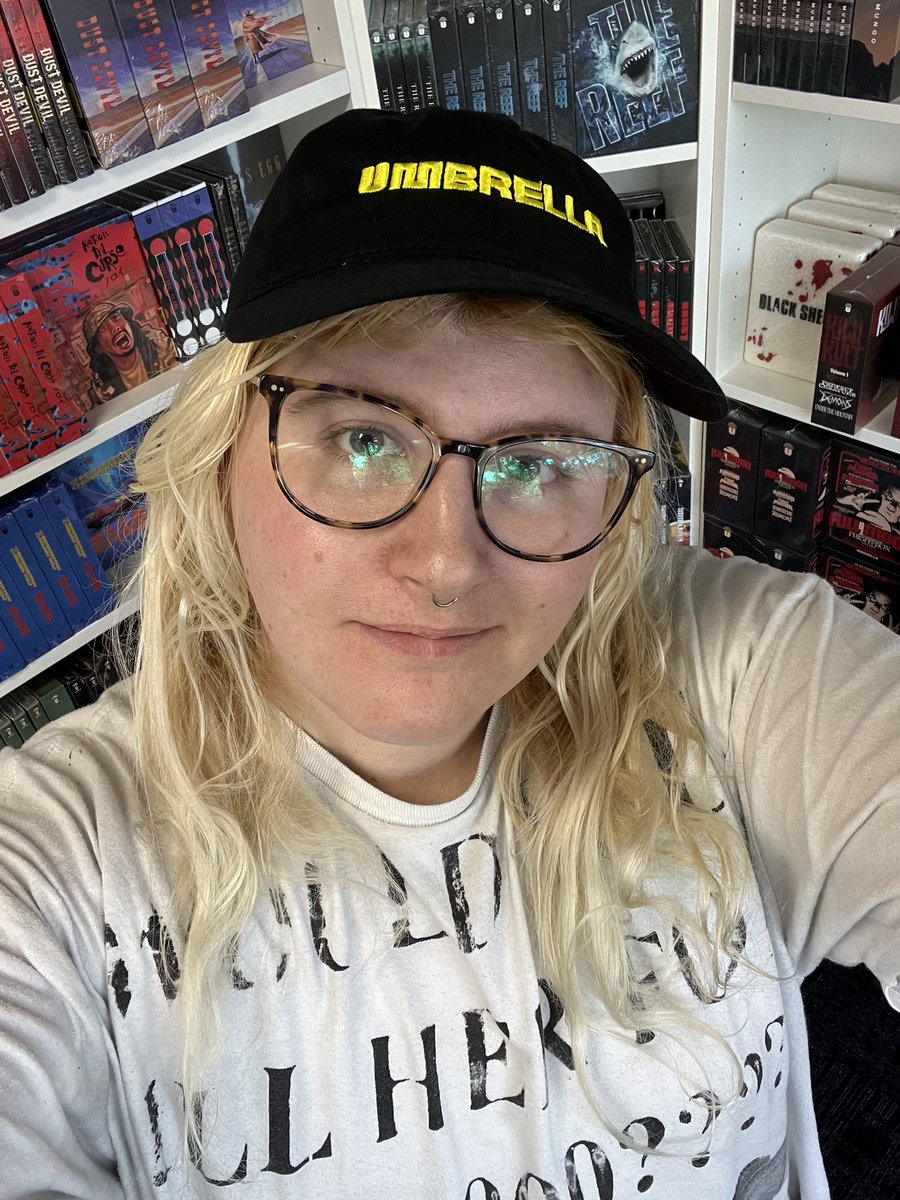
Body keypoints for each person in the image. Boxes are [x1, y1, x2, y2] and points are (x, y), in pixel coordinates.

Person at [1, 108, 898, 1200]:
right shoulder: (58, 864)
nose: (445, 564)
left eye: (539, 461)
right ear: (218, 454)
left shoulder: (738, 667)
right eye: (364, 439)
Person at [84, 300, 177, 405]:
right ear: (98, 348)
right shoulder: (102, 392)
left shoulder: (160, 346)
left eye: (115, 318)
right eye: (102, 328)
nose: (115, 327)